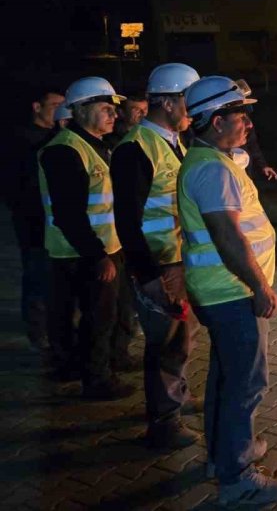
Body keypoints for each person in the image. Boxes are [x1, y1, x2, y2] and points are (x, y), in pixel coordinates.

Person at [177, 75, 277, 506]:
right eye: (241, 115)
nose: (249, 124)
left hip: (220, 292)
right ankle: (238, 479)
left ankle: (222, 456)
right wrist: (259, 286)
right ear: (217, 121)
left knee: (226, 377)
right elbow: (227, 237)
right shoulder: (211, 169)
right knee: (246, 384)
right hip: (233, 293)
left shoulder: (210, 160)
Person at [112, 63, 201, 450]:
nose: (193, 111)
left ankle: (175, 397)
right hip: (158, 266)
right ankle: (163, 423)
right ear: (167, 102)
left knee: (181, 340)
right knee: (165, 344)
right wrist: (147, 275)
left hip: (178, 262)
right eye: (188, 101)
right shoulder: (135, 148)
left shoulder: (173, 142)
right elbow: (127, 221)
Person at [38, 77, 136, 400]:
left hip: (102, 248)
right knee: (97, 320)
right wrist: (98, 255)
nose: (114, 115)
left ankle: (94, 367)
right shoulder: (64, 150)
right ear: (80, 110)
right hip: (80, 253)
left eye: (114, 109)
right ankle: (97, 381)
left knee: (105, 316)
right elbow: (69, 214)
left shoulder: (98, 145)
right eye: (106, 108)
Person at [6, 86, 64, 349]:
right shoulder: (21, 140)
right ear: (36, 107)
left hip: (55, 218)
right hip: (32, 218)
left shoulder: (58, 136)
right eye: (54, 106)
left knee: (56, 275)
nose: (60, 111)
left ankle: (55, 326)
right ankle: (38, 329)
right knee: (36, 272)